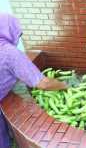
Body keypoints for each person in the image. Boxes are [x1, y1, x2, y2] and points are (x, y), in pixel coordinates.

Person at [0, 13, 67, 148]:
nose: (19, 36)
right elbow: (43, 83)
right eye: (18, 33)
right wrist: (65, 85)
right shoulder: (9, 53)